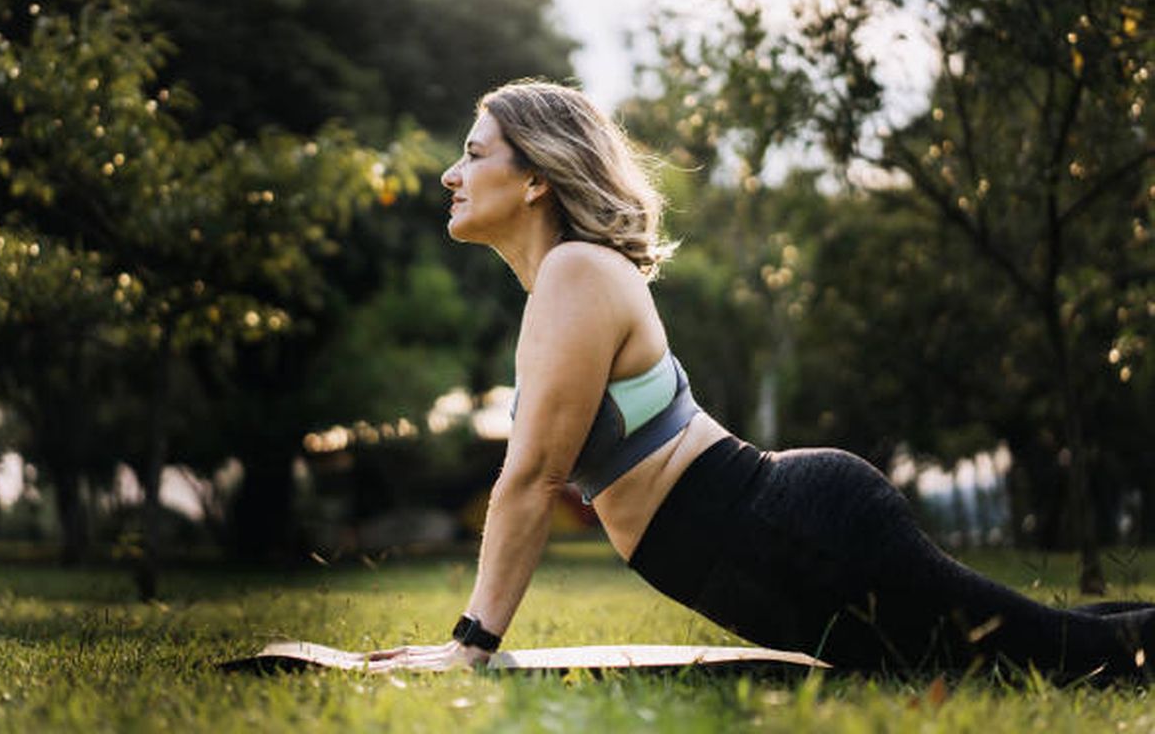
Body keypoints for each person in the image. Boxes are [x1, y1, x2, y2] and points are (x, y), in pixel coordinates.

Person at [365, 79, 1154, 681]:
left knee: (1057, 656)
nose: (449, 175)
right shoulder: (569, 281)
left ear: (538, 178)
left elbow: (533, 476)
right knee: (1040, 644)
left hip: (792, 534)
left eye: (473, 154)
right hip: (771, 542)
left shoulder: (576, 272)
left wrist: (470, 647)